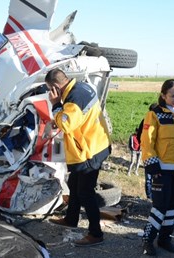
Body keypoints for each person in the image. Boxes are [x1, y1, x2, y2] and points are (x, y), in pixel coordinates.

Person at [45, 68, 111, 247]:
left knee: (85, 192)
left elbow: (66, 124)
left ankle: (95, 233)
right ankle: (71, 219)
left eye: (49, 89)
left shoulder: (73, 99)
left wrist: (56, 105)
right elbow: (76, 118)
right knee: (74, 184)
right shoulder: (81, 87)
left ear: (55, 87)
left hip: (89, 151)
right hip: (94, 143)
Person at [139, 79, 174, 255]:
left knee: (172, 207)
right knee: (159, 207)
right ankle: (148, 240)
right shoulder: (154, 114)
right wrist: (152, 165)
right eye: (172, 95)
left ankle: (165, 239)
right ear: (164, 96)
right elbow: (147, 141)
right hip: (161, 171)